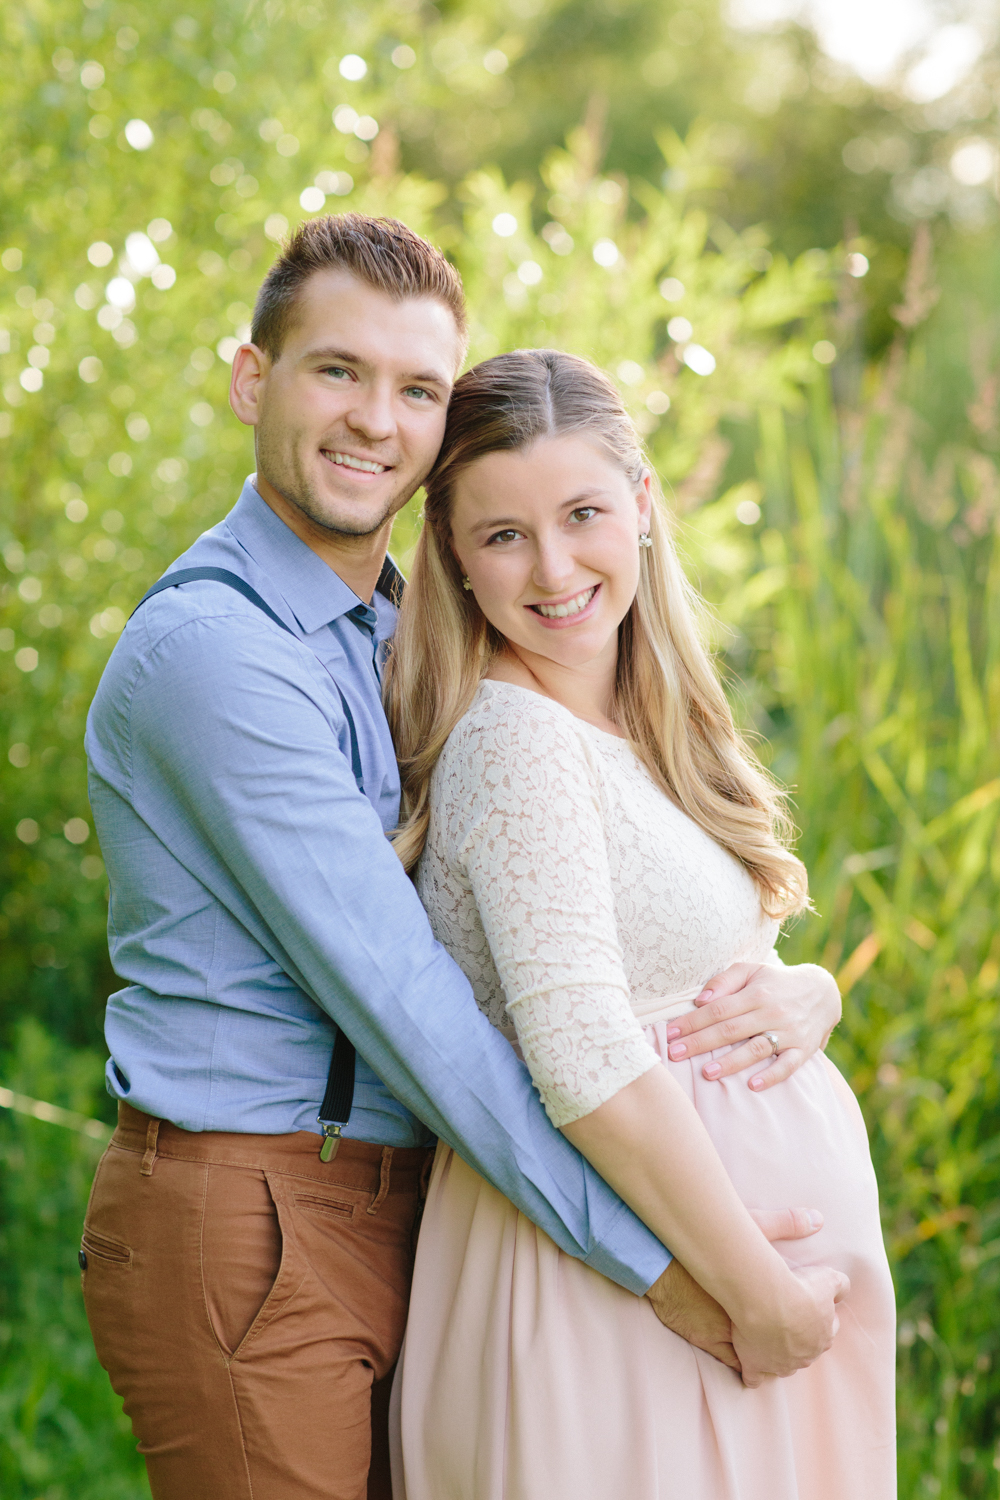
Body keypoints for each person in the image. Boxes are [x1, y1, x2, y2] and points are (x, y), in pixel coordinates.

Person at [81, 214, 844, 1500]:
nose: (376, 420)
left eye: (417, 389)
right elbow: (415, 1010)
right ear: (250, 380)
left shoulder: (402, 634)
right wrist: (666, 1264)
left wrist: (803, 990)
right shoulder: (218, 658)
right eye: (338, 371)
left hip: (423, 1203)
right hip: (257, 1216)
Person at [385, 349, 897, 1499]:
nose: (554, 568)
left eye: (582, 515)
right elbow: (578, 1053)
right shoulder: (515, 743)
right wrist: (756, 1295)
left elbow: (687, 951)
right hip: (632, 1291)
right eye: (503, 534)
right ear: (455, 559)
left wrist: (805, 988)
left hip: (705, 1298)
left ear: (645, 508)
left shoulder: (642, 719)